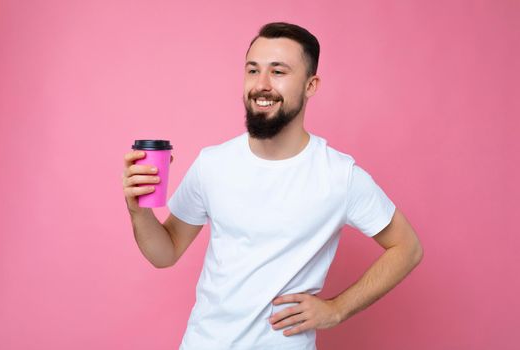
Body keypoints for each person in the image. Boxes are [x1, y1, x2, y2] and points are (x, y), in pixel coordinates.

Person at [122, 22, 423, 350]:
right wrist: (138, 212)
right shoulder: (212, 164)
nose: (261, 85)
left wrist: (337, 309)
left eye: (278, 72)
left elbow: (407, 248)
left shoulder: (340, 175)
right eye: (253, 70)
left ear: (311, 85)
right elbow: (165, 253)